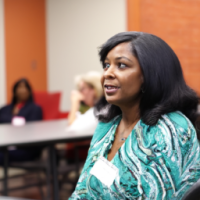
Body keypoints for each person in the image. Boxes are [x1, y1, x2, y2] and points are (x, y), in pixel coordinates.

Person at [69, 32, 200, 200]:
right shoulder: (107, 125)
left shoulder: (171, 129)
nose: (107, 73)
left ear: (149, 75)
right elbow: (82, 191)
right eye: (106, 65)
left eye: (121, 65)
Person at [0, 78, 43, 164]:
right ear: (14, 91)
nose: (23, 90)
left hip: (25, 148)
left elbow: (29, 125)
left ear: (29, 91)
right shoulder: (5, 109)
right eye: (20, 87)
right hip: (5, 145)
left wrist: (12, 119)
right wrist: (16, 120)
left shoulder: (35, 109)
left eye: (25, 87)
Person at [65, 71, 103, 163]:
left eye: (83, 89)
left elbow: (71, 128)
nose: (80, 93)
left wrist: (75, 102)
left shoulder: (98, 112)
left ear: (94, 90)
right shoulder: (97, 109)